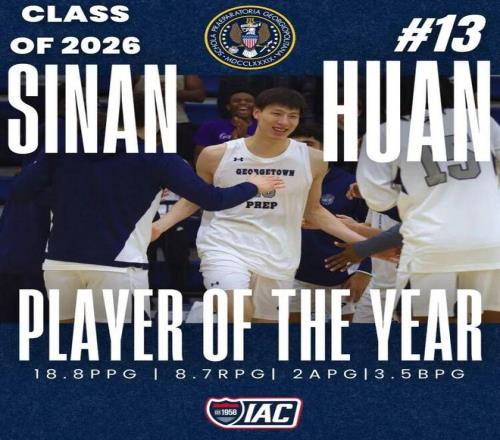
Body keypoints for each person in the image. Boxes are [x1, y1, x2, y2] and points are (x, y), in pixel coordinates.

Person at [9, 92, 283, 323]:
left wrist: (70, 197)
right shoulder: (158, 158)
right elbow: (211, 199)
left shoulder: (62, 151)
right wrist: (253, 185)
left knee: (69, 347)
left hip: (59, 263)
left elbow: (20, 191)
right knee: (119, 351)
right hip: (118, 265)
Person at [153, 88, 364, 322]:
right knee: (236, 311)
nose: (284, 122)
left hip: (279, 254)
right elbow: (196, 198)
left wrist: (365, 243)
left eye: (292, 116)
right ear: (257, 113)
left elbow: (313, 210)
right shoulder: (216, 155)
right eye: (277, 114)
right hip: (224, 245)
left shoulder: (314, 159)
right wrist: (159, 227)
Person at [354, 76, 500, 322]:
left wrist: (410, 189)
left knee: (429, 328)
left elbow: (379, 201)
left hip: (433, 241)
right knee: (489, 320)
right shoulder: (479, 120)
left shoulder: (385, 132)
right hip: (491, 237)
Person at [289, 123, 372, 322]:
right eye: (294, 146)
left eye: (309, 144)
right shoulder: (278, 182)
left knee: (345, 338)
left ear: (326, 149)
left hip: (340, 277)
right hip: (291, 275)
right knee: (289, 337)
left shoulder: (351, 184)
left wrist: (364, 271)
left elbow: (371, 228)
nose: (302, 152)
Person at [193, 89, 257, 161]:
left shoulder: (263, 127)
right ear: (228, 106)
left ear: (255, 107)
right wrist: (232, 143)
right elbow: (200, 156)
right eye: (237, 101)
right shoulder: (210, 126)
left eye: (248, 101)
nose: (243, 103)